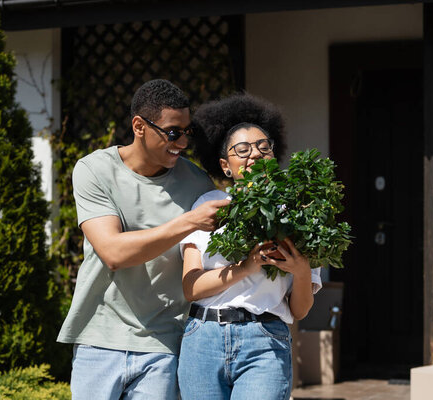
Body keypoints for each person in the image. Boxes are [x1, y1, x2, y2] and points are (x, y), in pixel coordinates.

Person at [57, 79, 230, 400]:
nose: (182, 142)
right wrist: (189, 221)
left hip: (165, 342)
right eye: (173, 132)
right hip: (99, 338)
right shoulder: (95, 170)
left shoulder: (196, 183)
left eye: (187, 132)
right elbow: (112, 252)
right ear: (139, 126)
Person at [177, 93, 322, 400]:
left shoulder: (297, 213)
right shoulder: (208, 207)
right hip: (203, 339)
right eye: (242, 150)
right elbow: (191, 287)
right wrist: (247, 266)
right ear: (225, 166)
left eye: (263, 147)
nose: (254, 155)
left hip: (265, 339)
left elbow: (300, 309)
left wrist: (301, 269)